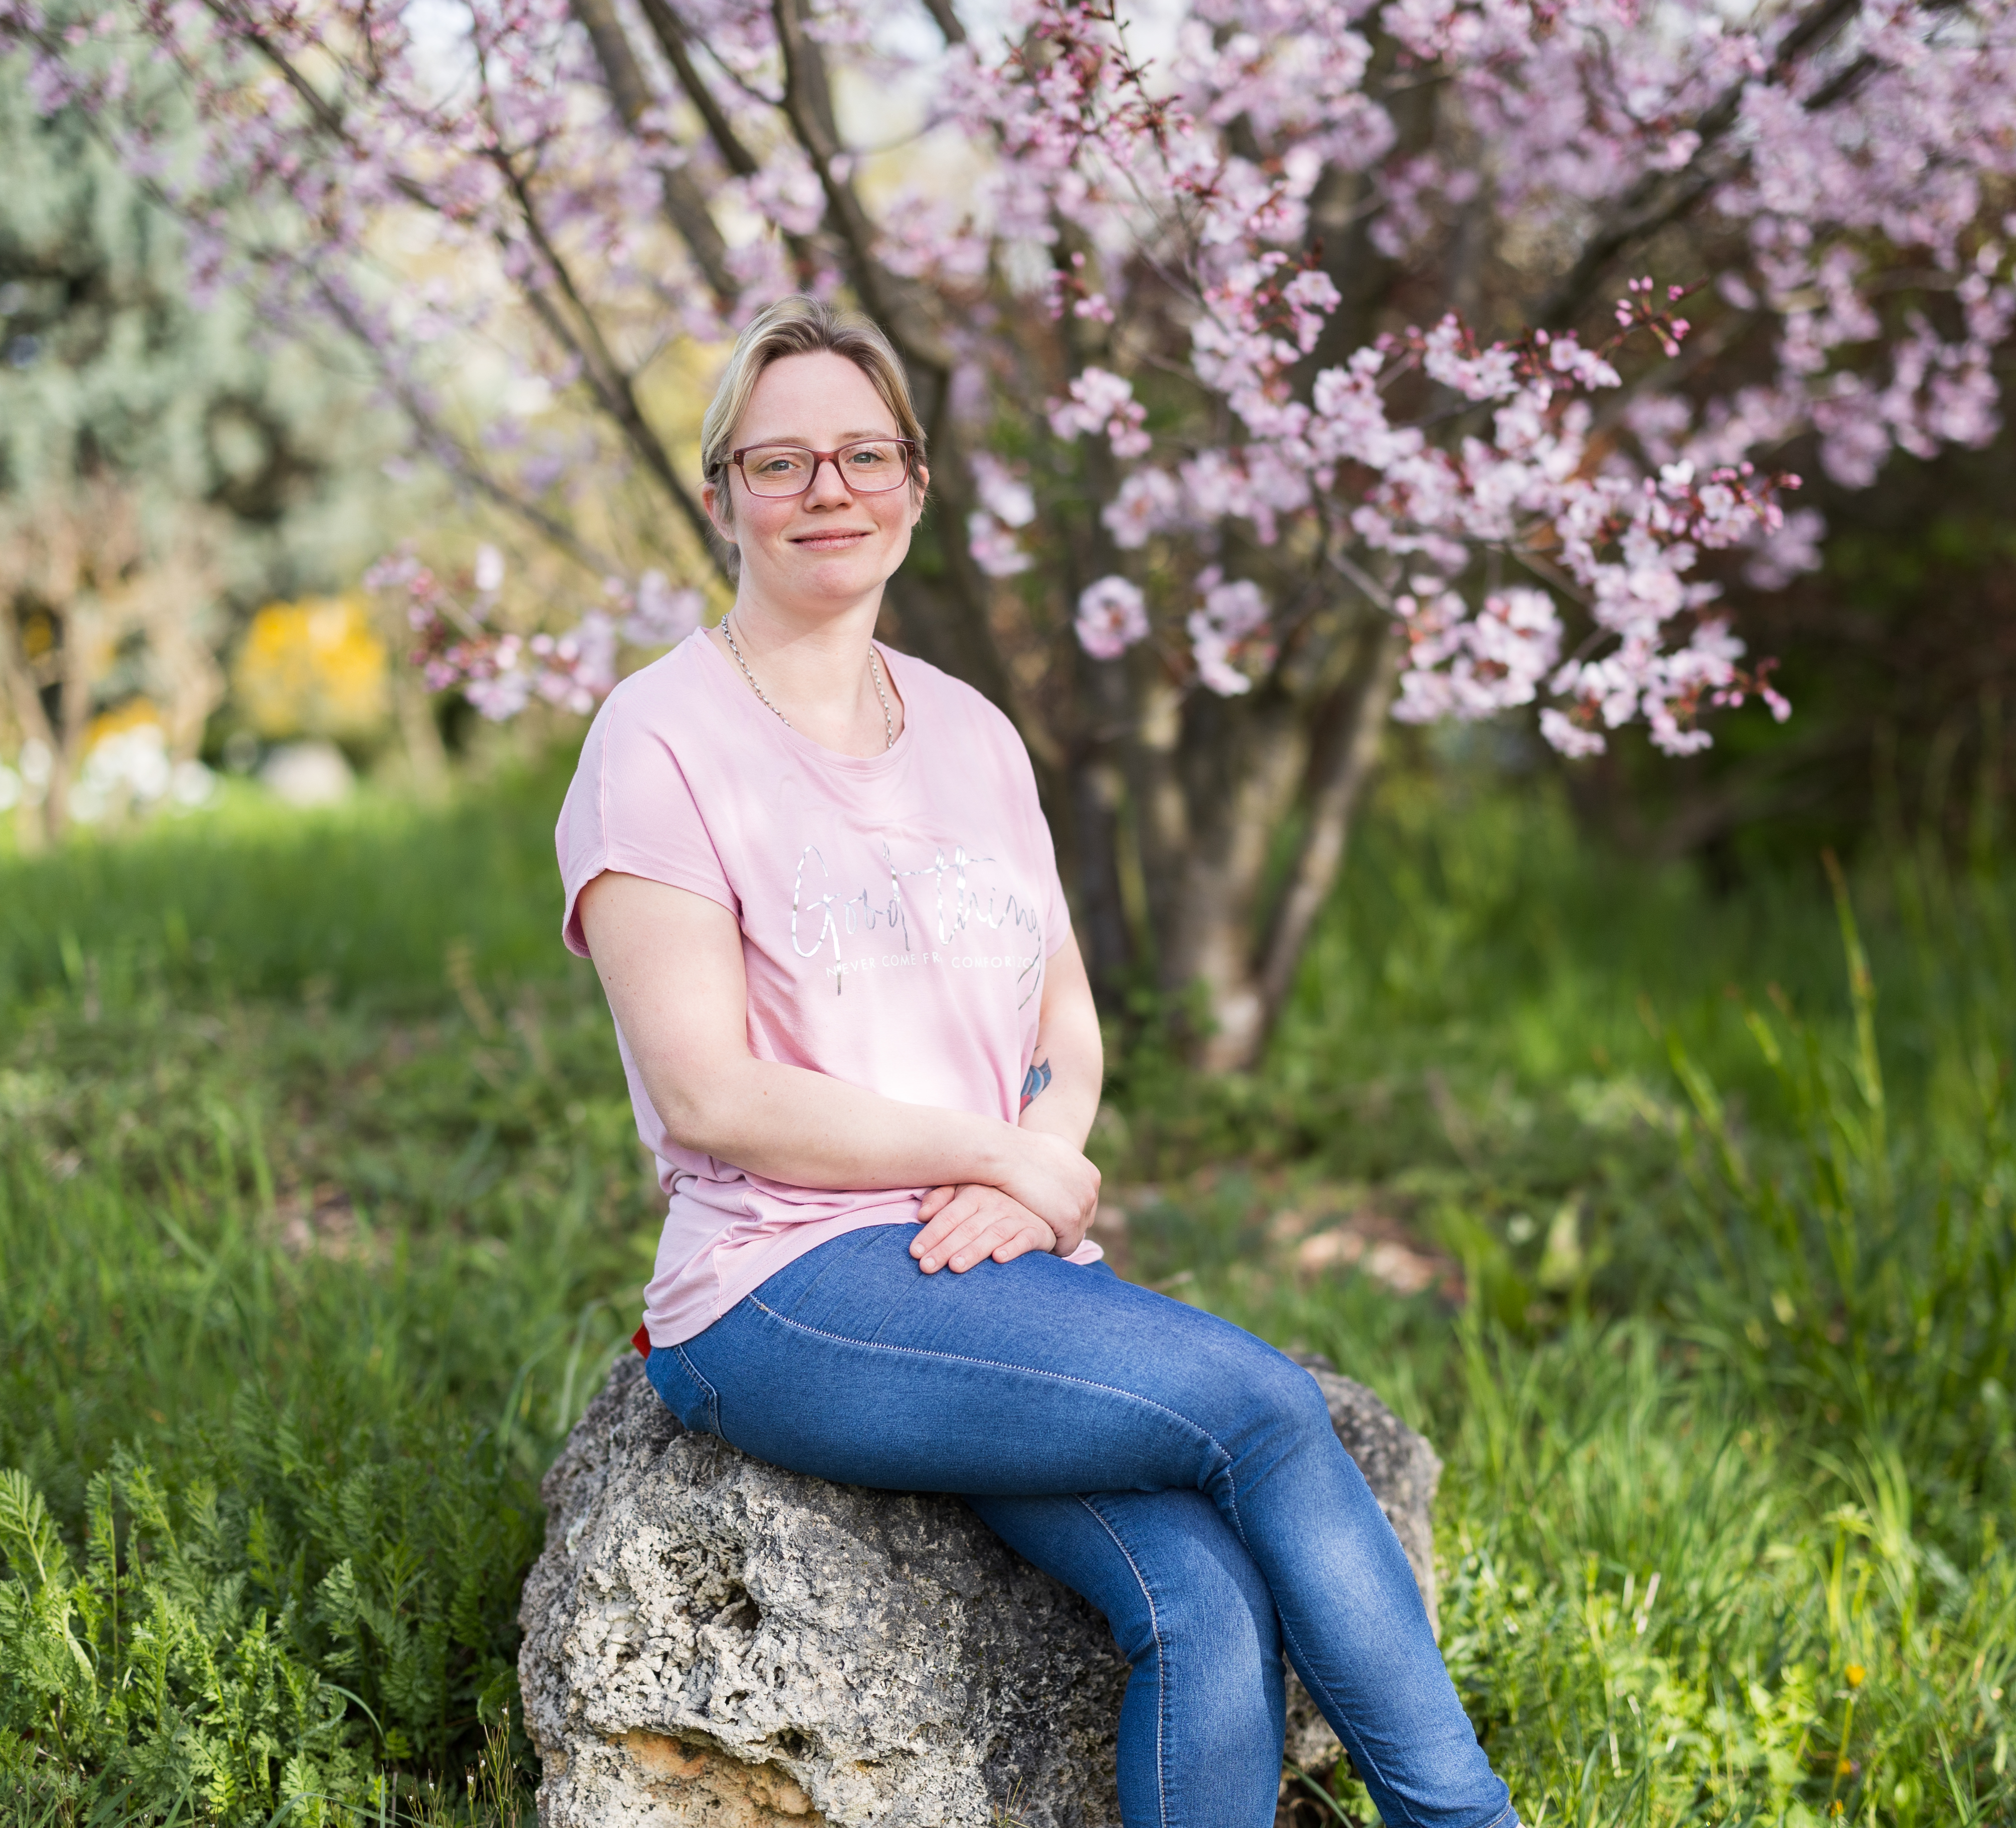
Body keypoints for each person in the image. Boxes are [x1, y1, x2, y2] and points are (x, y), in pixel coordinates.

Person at [557, 294, 1516, 1828]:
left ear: (917, 486)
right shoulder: (657, 739)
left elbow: (1063, 1017)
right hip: (783, 1290)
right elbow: (710, 1095)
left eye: (865, 455)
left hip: (994, 1258)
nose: (830, 492)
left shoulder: (972, 734)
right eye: (784, 460)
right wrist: (999, 1157)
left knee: (1202, 1593)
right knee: (1264, 1412)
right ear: (719, 489)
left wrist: (1043, 1166)